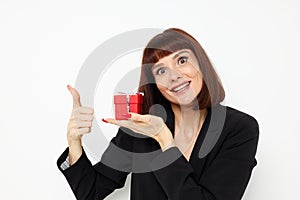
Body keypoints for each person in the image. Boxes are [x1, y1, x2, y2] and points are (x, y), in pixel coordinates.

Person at [57, 28, 259, 200]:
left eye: (181, 60)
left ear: (201, 64)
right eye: (161, 71)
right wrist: (74, 141)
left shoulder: (239, 128)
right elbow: (91, 191)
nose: (174, 76)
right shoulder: (140, 128)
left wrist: (164, 140)